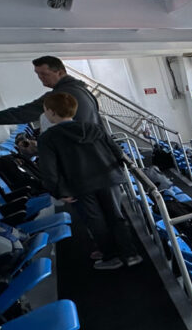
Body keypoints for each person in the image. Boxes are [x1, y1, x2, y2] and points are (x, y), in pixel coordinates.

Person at [36, 92, 142, 270]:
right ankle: (131, 254)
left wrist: (59, 191)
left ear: (52, 112)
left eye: (45, 110)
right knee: (116, 217)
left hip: (80, 186)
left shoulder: (47, 138)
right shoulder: (94, 127)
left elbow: (49, 169)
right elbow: (116, 151)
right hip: (109, 178)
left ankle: (111, 257)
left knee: (96, 221)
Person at [0, 55, 102, 130]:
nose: (40, 78)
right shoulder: (82, 89)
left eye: (44, 74)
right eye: (38, 74)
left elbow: (21, 113)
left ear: (60, 72)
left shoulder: (59, 96)